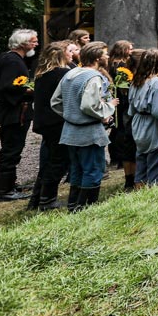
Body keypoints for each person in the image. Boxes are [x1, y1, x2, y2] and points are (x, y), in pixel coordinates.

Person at [51, 41, 117, 211]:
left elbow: (56, 102)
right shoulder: (93, 78)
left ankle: (73, 205)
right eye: (105, 53)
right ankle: (86, 208)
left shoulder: (70, 74)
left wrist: (71, 115)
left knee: (77, 170)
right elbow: (89, 106)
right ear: (97, 57)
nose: (108, 56)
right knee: (93, 170)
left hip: (70, 132)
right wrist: (109, 107)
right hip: (89, 133)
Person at [27, 42, 72, 210]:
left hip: (44, 123)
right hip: (56, 122)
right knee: (58, 161)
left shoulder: (42, 74)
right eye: (68, 51)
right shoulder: (62, 74)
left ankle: (37, 199)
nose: (71, 55)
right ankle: (47, 200)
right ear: (60, 55)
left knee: (49, 161)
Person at [0, 28, 38, 201]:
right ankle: (4, 189)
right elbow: (7, 86)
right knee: (11, 149)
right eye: (33, 40)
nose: (36, 43)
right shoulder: (12, 61)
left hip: (15, 111)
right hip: (14, 112)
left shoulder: (10, 58)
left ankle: (9, 184)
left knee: (13, 147)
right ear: (23, 43)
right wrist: (29, 91)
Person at [127, 49, 158, 185]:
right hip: (154, 128)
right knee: (157, 169)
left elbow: (131, 110)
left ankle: (140, 197)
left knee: (141, 168)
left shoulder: (136, 81)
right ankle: (154, 199)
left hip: (139, 126)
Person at [107, 40, 137, 191]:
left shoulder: (114, 62)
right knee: (122, 133)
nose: (131, 51)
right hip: (122, 101)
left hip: (119, 101)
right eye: (129, 48)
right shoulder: (119, 65)